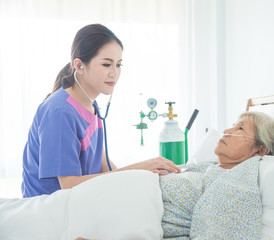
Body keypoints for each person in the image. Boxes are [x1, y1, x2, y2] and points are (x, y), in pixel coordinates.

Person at [21, 24, 180, 198]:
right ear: (79, 66)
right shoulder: (58, 112)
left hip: (81, 202)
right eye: (106, 64)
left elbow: (102, 161)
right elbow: (69, 185)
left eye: (119, 65)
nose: (115, 73)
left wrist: (138, 175)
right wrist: (139, 168)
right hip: (52, 211)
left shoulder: (90, 104)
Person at [159, 111, 274, 239]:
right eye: (233, 126)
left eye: (240, 129)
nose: (226, 131)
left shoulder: (235, 187)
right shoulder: (209, 168)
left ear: (261, 149)